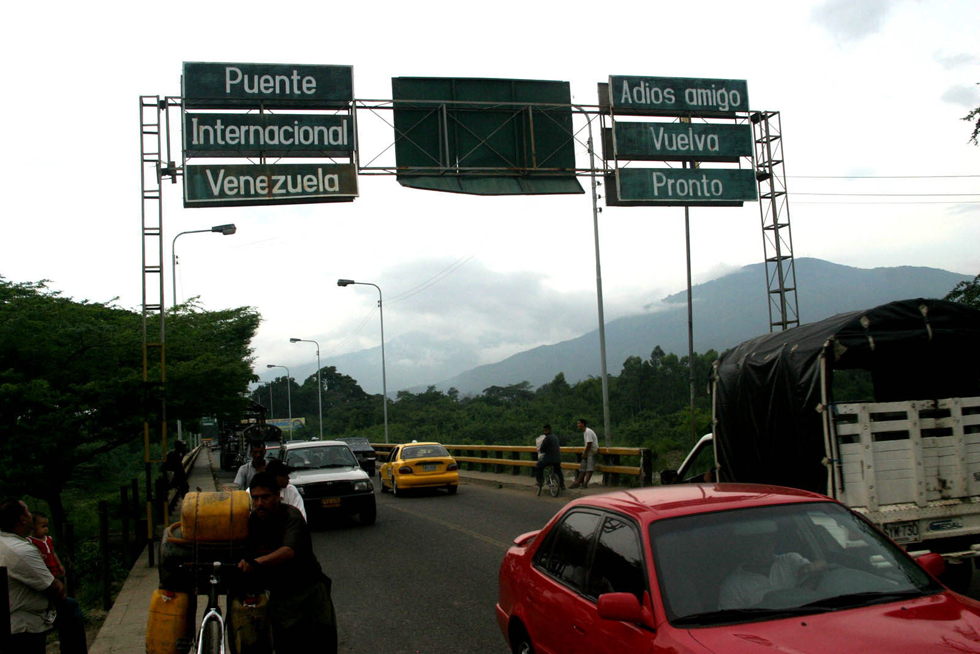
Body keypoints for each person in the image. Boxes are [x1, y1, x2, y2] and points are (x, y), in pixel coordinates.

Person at [238, 472, 337, 653]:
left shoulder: (292, 516)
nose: (260, 503)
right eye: (255, 498)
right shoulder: (252, 521)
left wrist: (256, 563)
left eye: (265, 497)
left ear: (278, 496)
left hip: (310, 595)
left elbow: (288, 551)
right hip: (281, 597)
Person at [1, 499, 87, 654]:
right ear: (23, 519)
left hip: (13, 612)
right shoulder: (21, 550)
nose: (31, 516)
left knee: (69, 606)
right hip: (24, 621)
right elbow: (55, 589)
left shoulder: (4, 542)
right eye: (28, 512)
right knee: (70, 607)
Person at [718, 530, 826, 609]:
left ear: (773, 545)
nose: (763, 551)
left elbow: (815, 567)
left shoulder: (789, 560)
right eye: (757, 546)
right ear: (746, 550)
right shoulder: (733, 586)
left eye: (767, 544)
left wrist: (813, 567)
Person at [568, 419, 598, 489]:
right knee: (583, 468)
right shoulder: (585, 432)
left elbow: (589, 443)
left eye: (579, 423)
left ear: (583, 424)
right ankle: (578, 482)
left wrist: (585, 452)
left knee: (589, 468)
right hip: (588, 451)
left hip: (591, 451)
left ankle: (585, 483)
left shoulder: (588, 432)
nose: (577, 425)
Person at [534, 424, 564, 495]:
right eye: (544, 430)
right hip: (558, 458)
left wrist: (541, 451)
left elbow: (542, 449)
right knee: (558, 470)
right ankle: (562, 485)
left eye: (545, 430)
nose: (544, 432)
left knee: (539, 466)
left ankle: (540, 481)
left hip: (549, 458)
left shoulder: (547, 438)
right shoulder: (555, 437)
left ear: (549, 430)